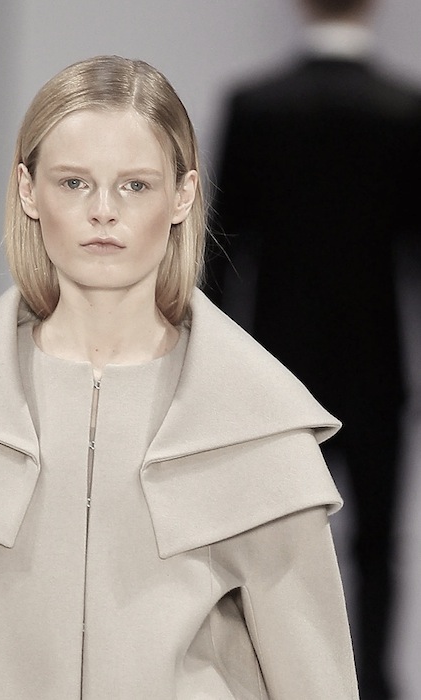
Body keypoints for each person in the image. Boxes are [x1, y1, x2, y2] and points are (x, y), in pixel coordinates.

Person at [0, 55, 359, 699]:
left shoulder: (257, 428)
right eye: (73, 183)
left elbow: (316, 683)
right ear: (27, 190)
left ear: (182, 195)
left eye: (135, 185)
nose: (102, 211)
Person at [204, 2, 421, 698]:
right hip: (377, 365)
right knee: (376, 546)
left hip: (279, 370)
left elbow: (220, 258)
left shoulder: (256, 107)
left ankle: (277, 681)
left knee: (274, 542)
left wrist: (209, 374)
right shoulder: (404, 111)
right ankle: (374, 685)